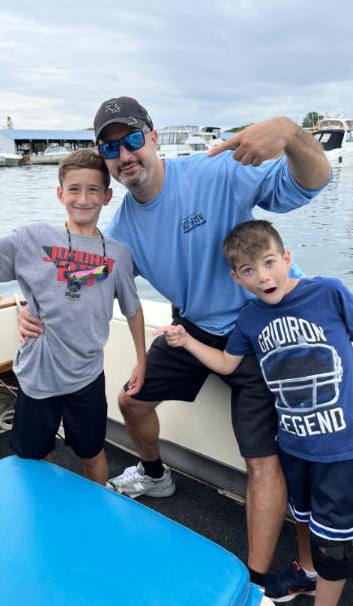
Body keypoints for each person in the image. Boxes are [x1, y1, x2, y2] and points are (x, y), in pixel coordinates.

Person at [17, 96, 331, 598]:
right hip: (193, 329)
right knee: (131, 401)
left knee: (262, 461)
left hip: (262, 328)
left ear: (154, 136)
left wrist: (291, 134)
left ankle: (253, 583)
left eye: (132, 139)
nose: (125, 154)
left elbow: (313, 181)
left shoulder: (215, 172)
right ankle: (154, 474)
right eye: (111, 148)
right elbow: (75, 281)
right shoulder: (120, 235)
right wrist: (28, 307)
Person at [157, 219, 353, 606]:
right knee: (303, 518)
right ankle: (307, 574)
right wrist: (187, 341)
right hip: (294, 446)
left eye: (269, 262)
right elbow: (227, 363)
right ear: (237, 278)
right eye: (249, 270)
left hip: (339, 449)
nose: (263, 276)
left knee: (333, 545)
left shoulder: (328, 292)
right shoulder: (250, 319)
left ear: (287, 258)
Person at [0, 148, 147, 485]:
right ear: (60, 194)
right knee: (35, 458)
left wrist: (141, 361)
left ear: (107, 197)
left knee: (92, 454)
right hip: (37, 376)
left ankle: (95, 507)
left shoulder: (118, 254)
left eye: (93, 190)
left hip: (87, 376)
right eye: (74, 189)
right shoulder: (31, 238)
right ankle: (42, 508)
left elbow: (133, 309)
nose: (83, 199)